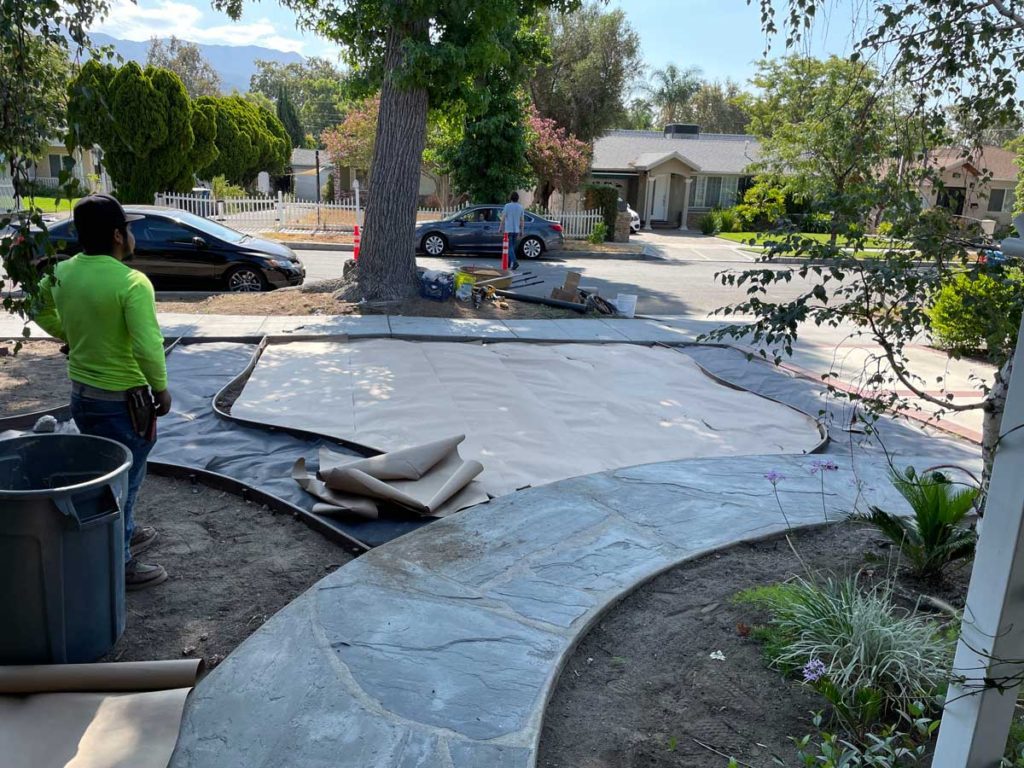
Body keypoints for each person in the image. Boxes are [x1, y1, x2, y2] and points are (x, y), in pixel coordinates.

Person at [34, 194, 172, 590]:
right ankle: (120, 561)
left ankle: (122, 530)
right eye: (128, 228)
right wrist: (161, 389)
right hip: (124, 404)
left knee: (103, 473)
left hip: (82, 397)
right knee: (125, 481)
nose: (131, 235)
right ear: (117, 235)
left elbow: (38, 307)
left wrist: (69, 334)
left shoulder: (61, 273)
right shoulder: (131, 282)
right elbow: (148, 344)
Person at [499, 191, 526, 270]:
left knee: (509, 247)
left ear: (510, 198)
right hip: (516, 230)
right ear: (517, 198)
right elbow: (522, 220)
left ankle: (515, 262)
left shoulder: (507, 206)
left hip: (509, 229)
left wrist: (500, 228)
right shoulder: (520, 207)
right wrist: (522, 230)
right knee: (512, 247)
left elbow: (503, 218)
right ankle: (509, 263)